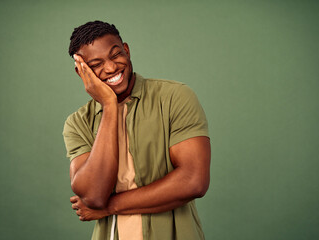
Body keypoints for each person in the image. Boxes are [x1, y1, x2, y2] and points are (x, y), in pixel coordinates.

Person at [62, 20, 211, 240]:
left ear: (127, 50)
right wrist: (110, 106)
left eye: (115, 55)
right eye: (96, 65)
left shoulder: (174, 97)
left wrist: (109, 207)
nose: (111, 68)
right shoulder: (77, 123)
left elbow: (193, 181)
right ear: (81, 73)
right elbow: (93, 195)